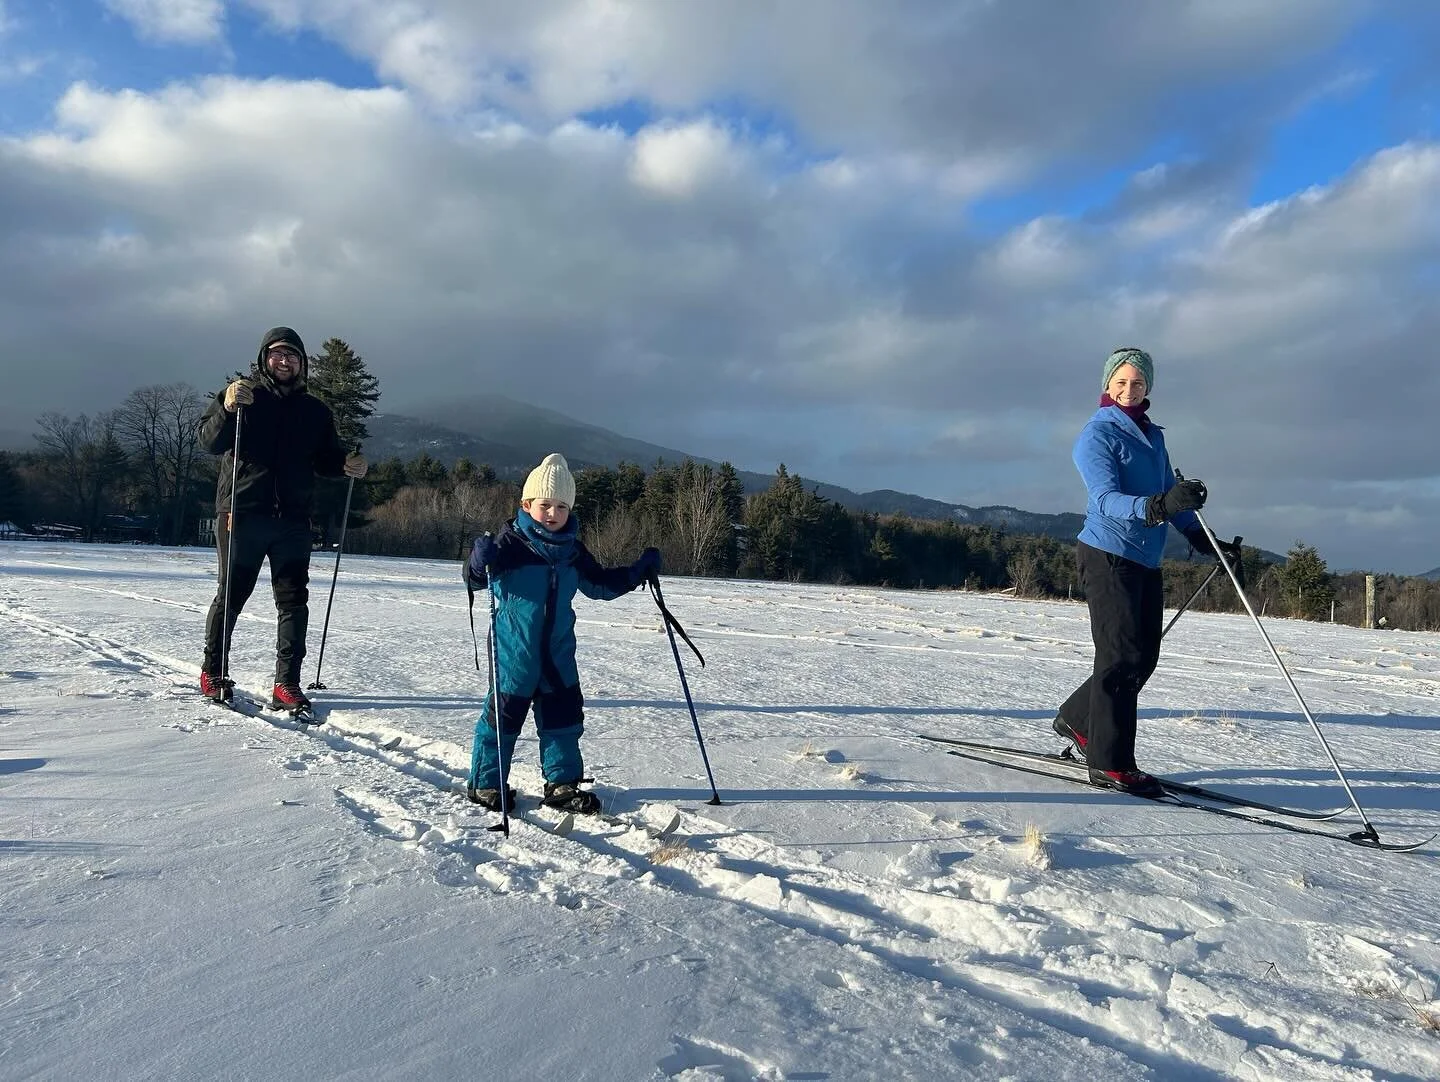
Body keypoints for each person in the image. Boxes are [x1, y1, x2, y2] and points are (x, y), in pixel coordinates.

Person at [1053, 347, 1241, 796]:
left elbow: (1167, 497)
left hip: (1145, 558)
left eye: (1137, 383)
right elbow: (1105, 500)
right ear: (1107, 385)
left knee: (1143, 657)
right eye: (1120, 382)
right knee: (1119, 659)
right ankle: (1109, 762)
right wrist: (1159, 506)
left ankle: (1078, 720)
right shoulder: (1096, 436)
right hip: (1107, 555)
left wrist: (1201, 538)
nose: (1128, 389)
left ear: (1148, 388)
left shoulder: (1152, 436)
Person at [464, 453, 661, 814]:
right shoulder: (509, 546)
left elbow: (599, 584)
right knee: (503, 721)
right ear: (527, 504)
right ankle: (486, 784)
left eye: (561, 507)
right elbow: (475, 579)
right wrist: (478, 561)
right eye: (545, 505)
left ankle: (563, 785)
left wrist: (637, 572)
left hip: (557, 653)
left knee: (564, 719)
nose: (553, 513)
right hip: (514, 653)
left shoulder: (572, 551)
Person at [197, 326, 367, 711]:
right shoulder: (241, 396)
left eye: (292, 356)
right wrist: (225, 407)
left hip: (292, 520)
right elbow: (208, 442)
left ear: (302, 364)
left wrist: (345, 465)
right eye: (277, 354)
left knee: (293, 601)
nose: (284, 361)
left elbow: (324, 459)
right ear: (264, 359)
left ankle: (286, 683)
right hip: (243, 513)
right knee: (232, 595)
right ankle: (214, 671)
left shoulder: (315, 411)